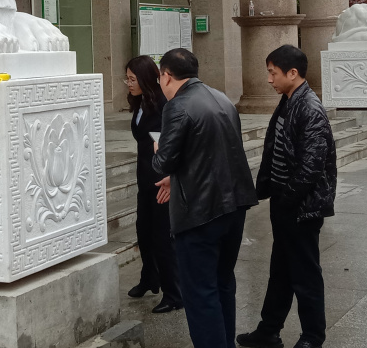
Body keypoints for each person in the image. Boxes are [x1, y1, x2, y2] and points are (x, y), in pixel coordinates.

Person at [153, 48, 257, 348]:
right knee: (223, 282)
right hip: (234, 204)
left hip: (201, 211)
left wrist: (158, 151)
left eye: (160, 77)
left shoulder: (178, 105)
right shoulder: (222, 98)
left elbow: (163, 162)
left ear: (166, 76)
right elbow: (213, 151)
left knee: (200, 292)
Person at [237, 45, 336, 348]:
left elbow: (311, 167)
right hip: (285, 201)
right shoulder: (289, 101)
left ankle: (312, 337)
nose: (269, 79)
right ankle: (268, 331)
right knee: (280, 271)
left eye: (273, 73)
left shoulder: (310, 108)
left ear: (293, 73)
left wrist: (287, 201)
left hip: (300, 206)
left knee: (305, 275)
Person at [124, 55, 183, 313]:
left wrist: (169, 176)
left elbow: (171, 144)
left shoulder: (163, 104)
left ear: (146, 79)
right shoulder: (139, 102)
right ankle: (150, 278)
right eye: (126, 79)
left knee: (162, 237)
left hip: (161, 179)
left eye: (132, 79)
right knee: (144, 232)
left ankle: (174, 294)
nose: (128, 83)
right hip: (145, 178)